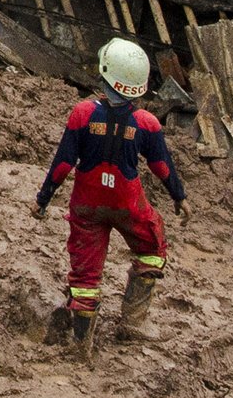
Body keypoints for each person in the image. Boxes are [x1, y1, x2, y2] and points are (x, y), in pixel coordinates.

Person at [34, 38, 187, 347]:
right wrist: (179, 197)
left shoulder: (82, 114)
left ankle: (82, 345)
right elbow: (162, 166)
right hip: (127, 204)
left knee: (86, 275)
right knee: (152, 251)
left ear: (104, 75)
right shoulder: (147, 123)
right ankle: (132, 323)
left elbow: (63, 164)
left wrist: (42, 200)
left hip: (87, 204)